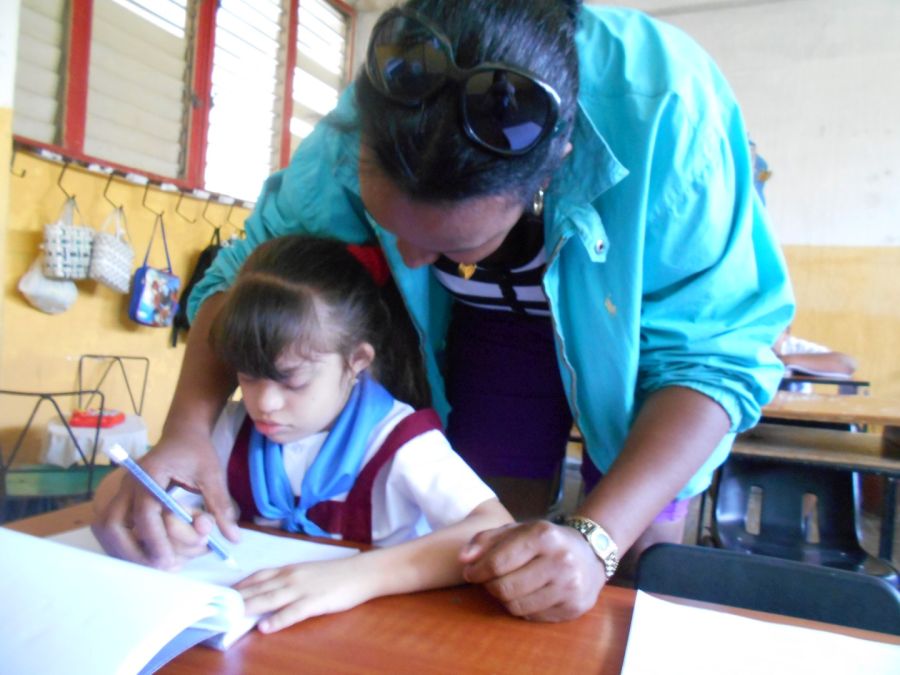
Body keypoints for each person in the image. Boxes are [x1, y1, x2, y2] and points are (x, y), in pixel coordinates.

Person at [94, 0, 794, 622]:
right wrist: (186, 429)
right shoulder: (371, 115)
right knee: (501, 572)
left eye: (455, 243)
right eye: (389, 226)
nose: (411, 262)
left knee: (622, 565)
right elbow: (246, 270)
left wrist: (597, 537)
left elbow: (714, 356)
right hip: (493, 335)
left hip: (646, 352)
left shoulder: (668, 110)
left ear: (555, 165)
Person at [93, 235, 512, 631]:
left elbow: (493, 530)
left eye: (291, 381)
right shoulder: (229, 431)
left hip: (385, 638)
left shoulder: (399, 441)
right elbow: (144, 496)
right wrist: (158, 518)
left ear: (357, 361)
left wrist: (351, 577)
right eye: (248, 376)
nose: (264, 403)